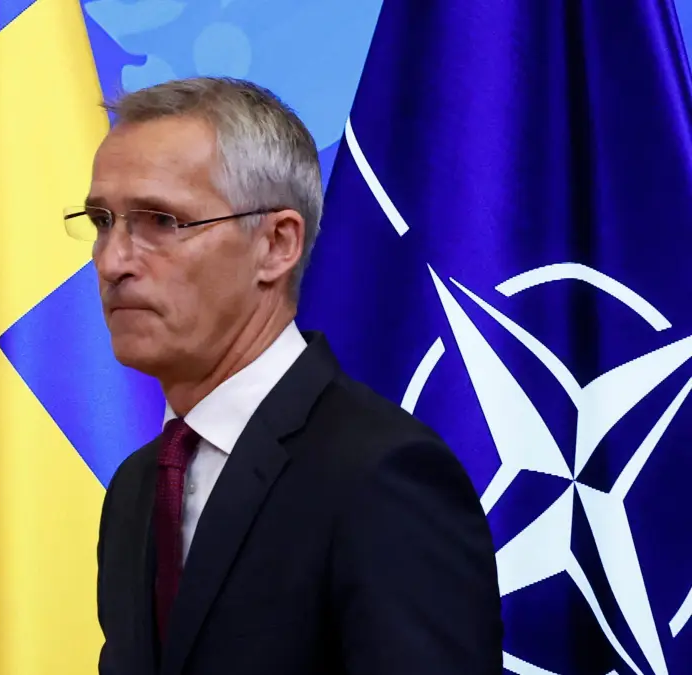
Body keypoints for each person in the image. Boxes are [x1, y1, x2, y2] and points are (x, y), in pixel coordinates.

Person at [71, 77, 503, 675]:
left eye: (162, 221)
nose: (113, 260)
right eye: (102, 221)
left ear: (277, 244)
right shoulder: (136, 488)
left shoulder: (381, 474)